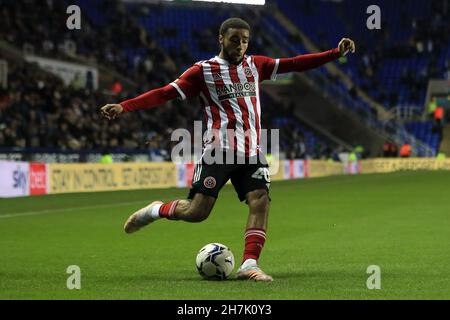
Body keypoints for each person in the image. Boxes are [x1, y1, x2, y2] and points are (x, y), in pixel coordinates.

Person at [100, 18, 355, 282]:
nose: (240, 46)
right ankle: (155, 210)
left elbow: (295, 64)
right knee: (198, 212)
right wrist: (125, 106)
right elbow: (165, 93)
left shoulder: (256, 65)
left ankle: (249, 265)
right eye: (235, 40)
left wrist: (335, 53)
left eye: (245, 40)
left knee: (260, 200)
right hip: (218, 150)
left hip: (252, 150)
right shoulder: (203, 71)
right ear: (221, 39)